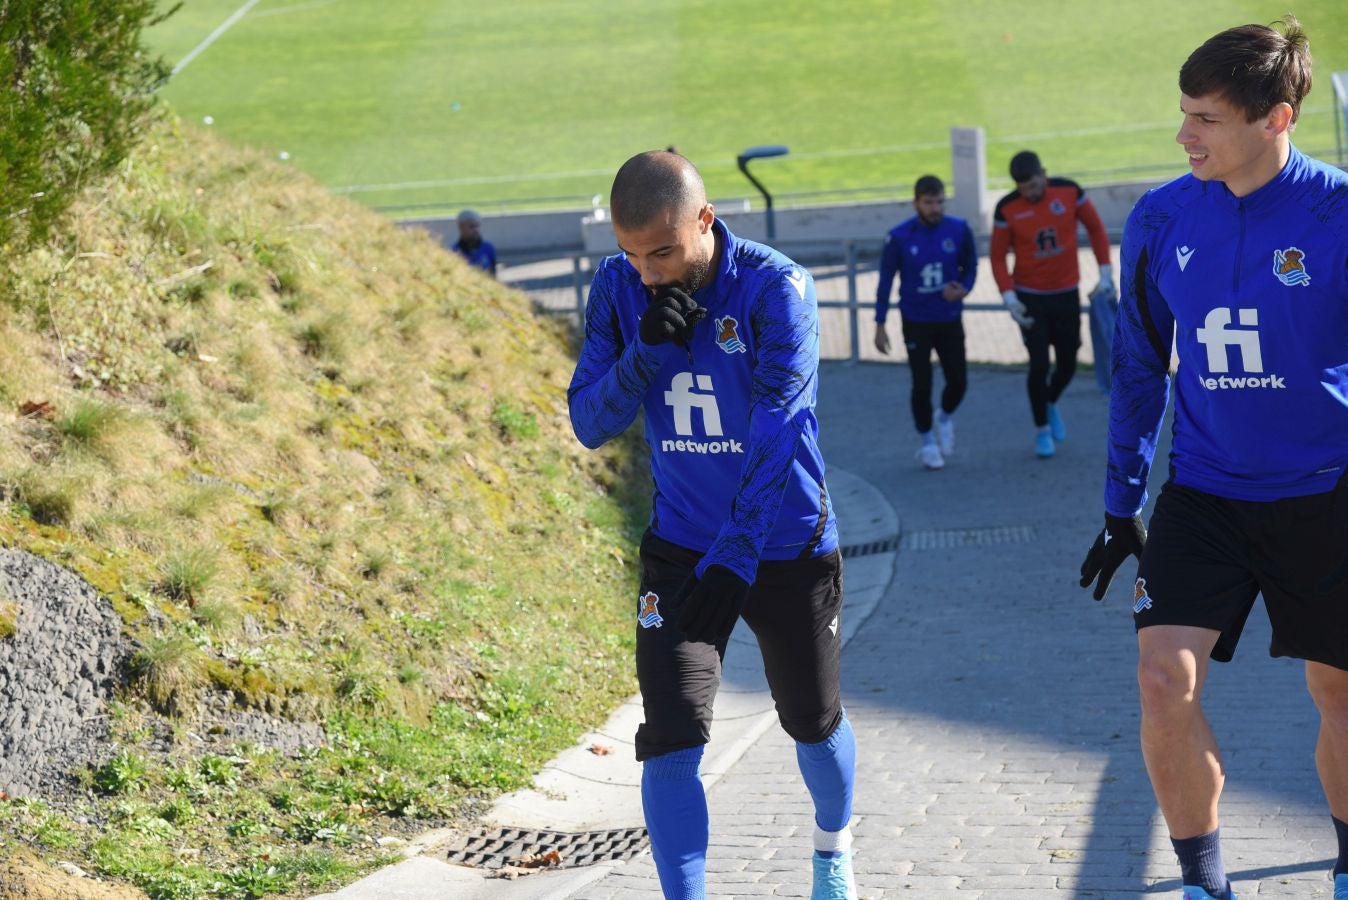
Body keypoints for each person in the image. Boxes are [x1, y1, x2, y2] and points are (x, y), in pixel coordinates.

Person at [1079, 16, 1348, 900]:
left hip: (1326, 494)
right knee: (1163, 680)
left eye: (1207, 118)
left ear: (1277, 119)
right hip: (1204, 494)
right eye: (1183, 112)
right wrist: (1122, 502)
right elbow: (1139, 366)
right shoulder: (1159, 217)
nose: (1184, 134)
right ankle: (1204, 883)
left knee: (1338, 694)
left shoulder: (1337, 214)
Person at [568, 150, 858, 900]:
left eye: (663, 251)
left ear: (705, 219)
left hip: (785, 544)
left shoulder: (777, 288)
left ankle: (833, 847)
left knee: (812, 725)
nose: (648, 273)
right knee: (669, 742)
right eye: (632, 255)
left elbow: (779, 429)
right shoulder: (618, 288)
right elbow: (590, 420)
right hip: (681, 549)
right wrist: (644, 354)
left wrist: (738, 552)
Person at [990, 149, 1115, 458]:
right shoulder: (1006, 209)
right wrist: (1008, 296)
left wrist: (1105, 271)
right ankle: (1041, 430)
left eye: (1033, 184)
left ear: (1043, 174)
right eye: (1023, 188)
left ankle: (1050, 401)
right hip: (1030, 296)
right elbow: (996, 256)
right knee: (1038, 364)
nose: (1030, 192)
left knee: (1069, 361)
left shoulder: (1070, 191)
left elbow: (1096, 228)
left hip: (1065, 293)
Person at [874, 174, 976, 470]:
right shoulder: (899, 236)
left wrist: (964, 288)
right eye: (929, 202)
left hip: (949, 318)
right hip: (916, 320)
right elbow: (885, 281)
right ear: (916, 203)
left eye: (940, 202)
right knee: (922, 383)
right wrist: (879, 324)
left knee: (959, 380)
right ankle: (927, 442)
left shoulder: (958, 229)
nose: (935, 208)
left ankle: (943, 417)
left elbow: (970, 265)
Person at [451, 208, 496, 276]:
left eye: (477, 226)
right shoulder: (454, 251)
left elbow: (493, 274)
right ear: (461, 227)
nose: (476, 230)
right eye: (471, 227)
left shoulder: (488, 248)